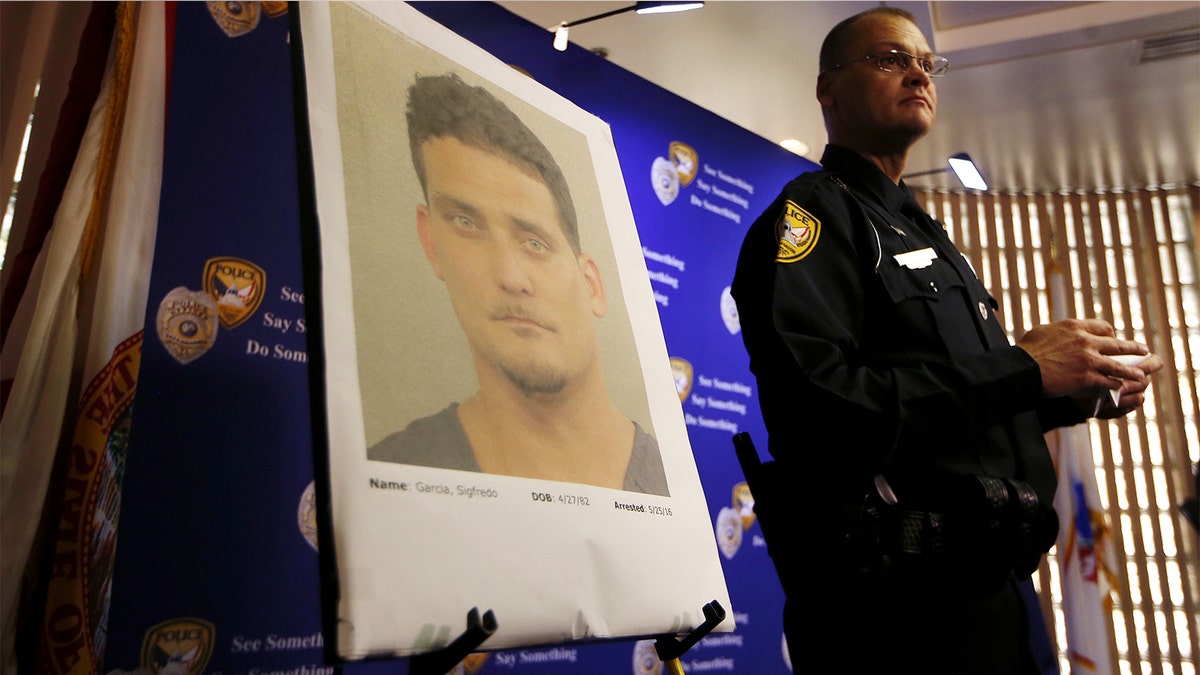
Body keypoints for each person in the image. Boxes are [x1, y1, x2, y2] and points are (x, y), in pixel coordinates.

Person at [730, 7, 1162, 673]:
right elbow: (826, 412)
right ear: (828, 89)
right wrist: (1023, 369)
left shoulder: (925, 231)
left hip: (1002, 589)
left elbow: (961, 408)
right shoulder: (813, 217)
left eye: (927, 64)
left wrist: (1078, 384)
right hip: (895, 617)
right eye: (889, 59)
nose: (917, 73)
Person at [368, 73, 669, 497]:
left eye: (534, 242)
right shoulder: (393, 473)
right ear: (431, 242)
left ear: (592, 285)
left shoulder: (670, 482)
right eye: (466, 224)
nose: (510, 276)